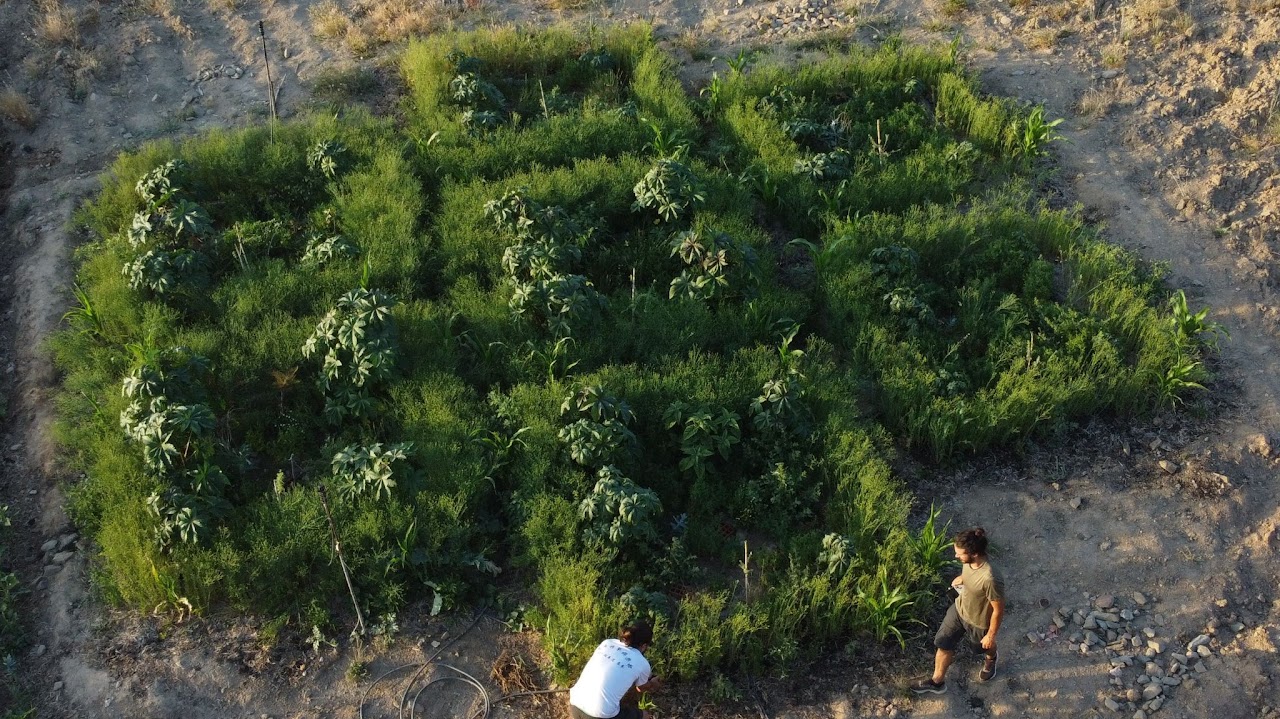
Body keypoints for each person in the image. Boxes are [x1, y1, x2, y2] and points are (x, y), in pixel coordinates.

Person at [911, 527, 1005, 694]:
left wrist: (990, 635)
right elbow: (970, 574)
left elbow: (998, 609)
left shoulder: (990, 578)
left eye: (960, 554)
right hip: (959, 609)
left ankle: (991, 657)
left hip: (978, 621)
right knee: (943, 643)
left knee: (980, 649)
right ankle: (937, 682)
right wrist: (962, 579)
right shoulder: (969, 562)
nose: (956, 556)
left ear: (974, 553)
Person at [568, 622, 662, 719]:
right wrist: (652, 683)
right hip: (600, 714)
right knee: (644, 715)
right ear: (644, 645)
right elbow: (640, 688)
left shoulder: (607, 643)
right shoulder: (643, 663)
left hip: (575, 704)